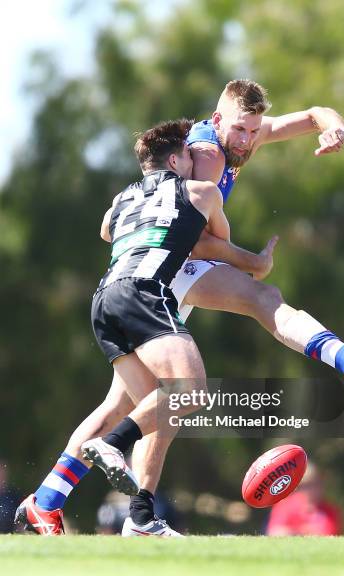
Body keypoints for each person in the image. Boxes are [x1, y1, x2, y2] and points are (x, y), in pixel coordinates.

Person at [16, 80, 344, 537]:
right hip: (166, 270)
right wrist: (250, 260)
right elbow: (191, 235)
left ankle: (61, 502)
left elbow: (313, 112)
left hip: (133, 279)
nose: (248, 140)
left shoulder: (239, 138)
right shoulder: (210, 157)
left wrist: (334, 127)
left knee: (132, 403)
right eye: (241, 130)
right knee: (260, 303)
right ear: (218, 122)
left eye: (254, 130)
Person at [15, 118, 229, 536]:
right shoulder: (201, 191)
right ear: (175, 158)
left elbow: (106, 229)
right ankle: (111, 445)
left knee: (138, 408)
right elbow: (217, 241)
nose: (194, 162)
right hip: (144, 292)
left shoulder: (121, 197)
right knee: (191, 390)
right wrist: (256, 262)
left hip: (104, 299)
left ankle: (47, 502)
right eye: (189, 154)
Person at [265, 463, 342, 536]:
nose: (312, 489)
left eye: (316, 483)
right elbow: (275, 532)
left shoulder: (329, 510)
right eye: (307, 485)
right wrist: (304, 531)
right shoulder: (285, 506)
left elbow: (329, 534)